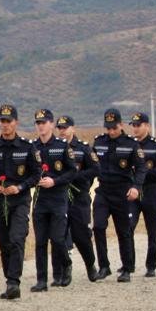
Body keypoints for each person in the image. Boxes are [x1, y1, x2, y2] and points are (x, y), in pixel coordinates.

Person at [0, 104, 40, 299]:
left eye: (9, 121)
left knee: (17, 238)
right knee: (4, 243)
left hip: (20, 200)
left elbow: (36, 174)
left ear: (16, 122)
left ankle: (13, 282)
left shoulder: (27, 147)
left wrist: (20, 187)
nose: (5, 125)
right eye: (2, 121)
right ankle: (9, 281)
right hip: (0, 200)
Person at [92, 108, 147, 282]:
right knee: (98, 226)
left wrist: (136, 187)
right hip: (103, 191)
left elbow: (141, 168)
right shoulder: (99, 142)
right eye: (108, 128)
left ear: (121, 125)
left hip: (122, 192)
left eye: (114, 127)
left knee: (123, 231)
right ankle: (104, 266)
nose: (111, 131)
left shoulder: (131, 144)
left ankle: (127, 269)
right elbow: (91, 165)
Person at [29, 109, 77, 290]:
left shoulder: (62, 146)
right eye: (38, 123)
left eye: (43, 122)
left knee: (57, 239)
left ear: (51, 124)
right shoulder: (32, 147)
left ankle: (66, 264)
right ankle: (42, 280)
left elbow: (72, 171)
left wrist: (55, 181)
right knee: (40, 241)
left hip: (58, 198)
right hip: (40, 199)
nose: (40, 126)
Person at [58, 115, 101, 282]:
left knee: (81, 236)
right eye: (60, 128)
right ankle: (64, 269)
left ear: (73, 129)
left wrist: (75, 177)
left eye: (65, 127)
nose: (62, 131)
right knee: (58, 235)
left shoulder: (83, 149)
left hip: (79, 197)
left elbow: (96, 169)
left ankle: (90, 265)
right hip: (59, 197)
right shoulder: (54, 148)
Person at [127, 111, 156, 277]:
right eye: (133, 125)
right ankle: (128, 264)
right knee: (127, 227)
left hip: (151, 191)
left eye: (138, 125)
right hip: (133, 192)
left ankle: (151, 265)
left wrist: (142, 174)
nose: (135, 128)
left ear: (147, 126)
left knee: (154, 229)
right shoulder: (128, 144)